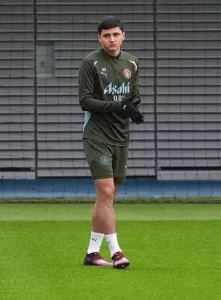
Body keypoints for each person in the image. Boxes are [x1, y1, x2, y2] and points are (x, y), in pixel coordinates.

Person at [78, 15, 144, 269]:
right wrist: (119, 105)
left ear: (123, 35)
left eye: (116, 34)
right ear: (100, 38)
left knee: (108, 196)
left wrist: (133, 106)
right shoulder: (90, 63)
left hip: (121, 136)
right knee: (106, 192)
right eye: (106, 35)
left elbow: (134, 94)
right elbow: (85, 101)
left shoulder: (132, 63)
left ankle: (92, 253)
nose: (112, 39)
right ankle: (116, 252)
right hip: (96, 134)